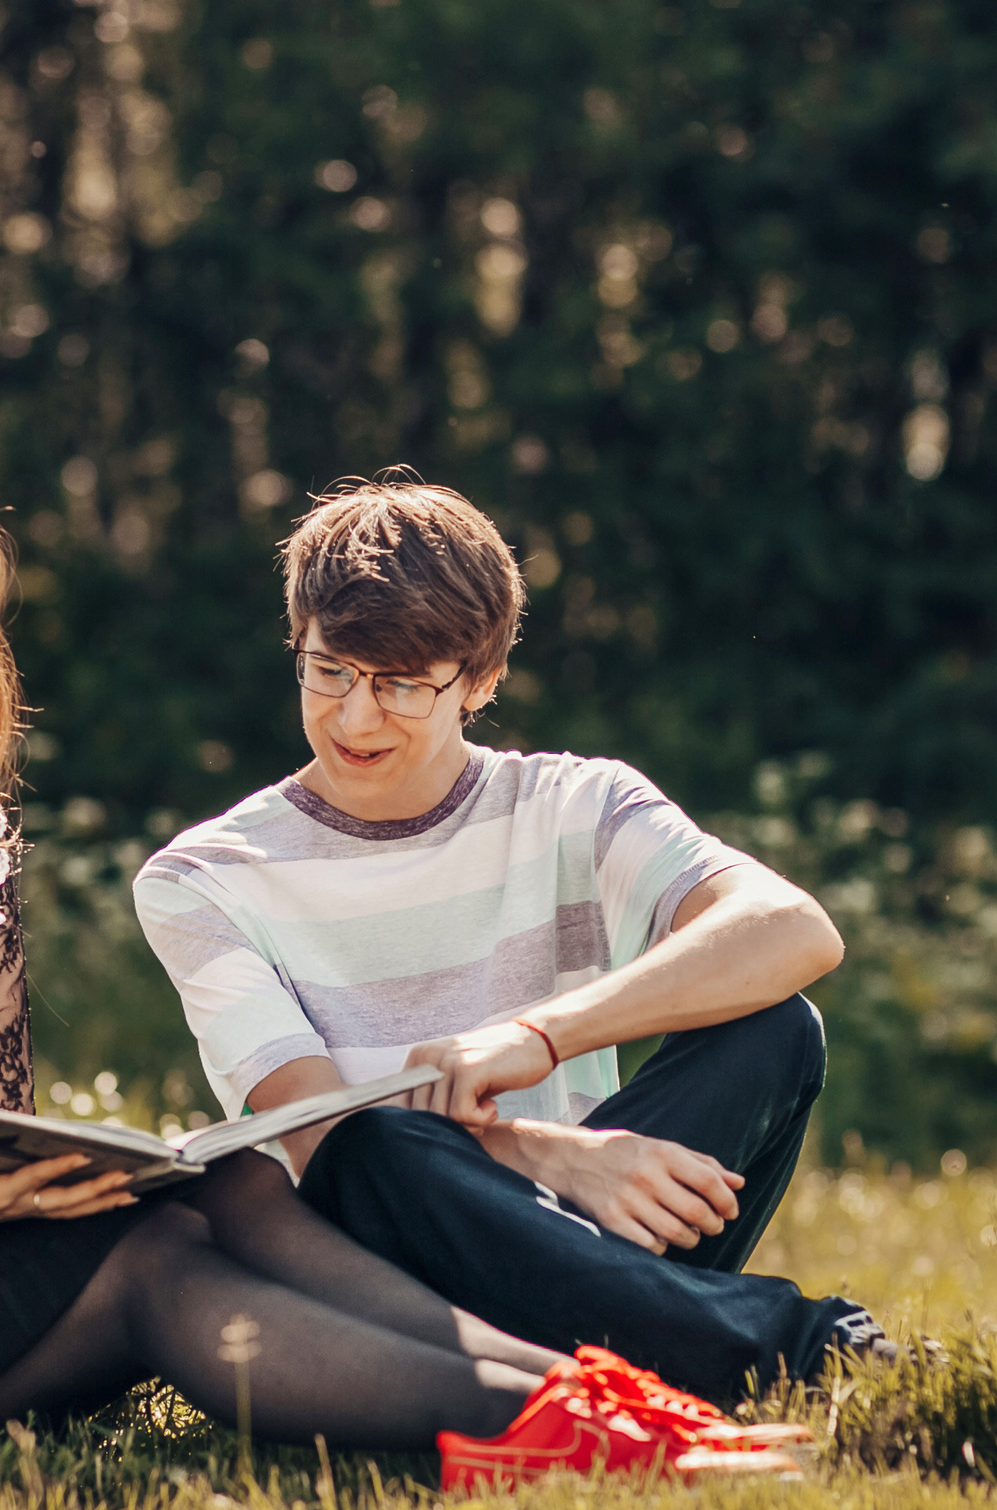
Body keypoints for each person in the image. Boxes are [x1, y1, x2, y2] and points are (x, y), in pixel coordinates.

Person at [0, 433, 802, 1487]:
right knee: (154, 1258)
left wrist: (4, 1189)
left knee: (226, 1183)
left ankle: (602, 1402)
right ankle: (587, 1427)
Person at [134, 479, 892, 1408]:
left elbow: (793, 929)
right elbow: (314, 1133)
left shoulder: (577, 803)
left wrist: (536, 1038)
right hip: (397, 1265)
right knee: (373, 1144)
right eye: (329, 670)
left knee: (777, 1027)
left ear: (481, 681)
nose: (355, 718)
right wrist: (554, 1154)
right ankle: (804, 1348)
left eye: (402, 685)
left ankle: (629, 1348)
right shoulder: (202, 877)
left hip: (598, 1225)